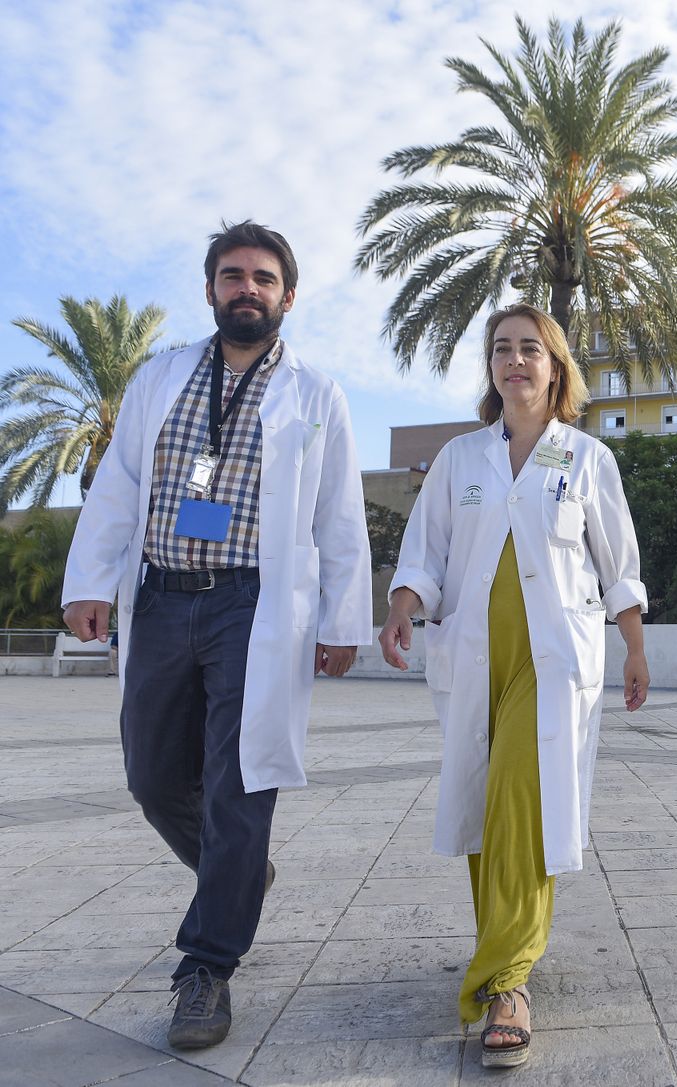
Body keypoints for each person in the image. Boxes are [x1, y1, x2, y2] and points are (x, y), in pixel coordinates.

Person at [60, 221, 371, 1048]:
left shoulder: (316, 394)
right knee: (152, 775)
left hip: (253, 606)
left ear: (288, 296)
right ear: (210, 290)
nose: (248, 288)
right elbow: (120, 486)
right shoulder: (160, 379)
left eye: (264, 278)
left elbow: (340, 516)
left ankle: (206, 967)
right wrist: (88, 582)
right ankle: (238, 871)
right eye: (233, 275)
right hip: (161, 597)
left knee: (241, 783)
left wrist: (343, 620)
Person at [378, 303, 649, 1069]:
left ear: (557, 367)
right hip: (473, 659)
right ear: (491, 367)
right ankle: (507, 954)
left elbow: (617, 564)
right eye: (502, 349)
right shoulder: (461, 458)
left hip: (552, 661)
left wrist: (633, 647)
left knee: (518, 795)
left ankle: (507, 980)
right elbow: (424, 552)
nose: (516, 360)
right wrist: (402, 604)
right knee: (486, 803)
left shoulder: (587, 458)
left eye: (532, 348)